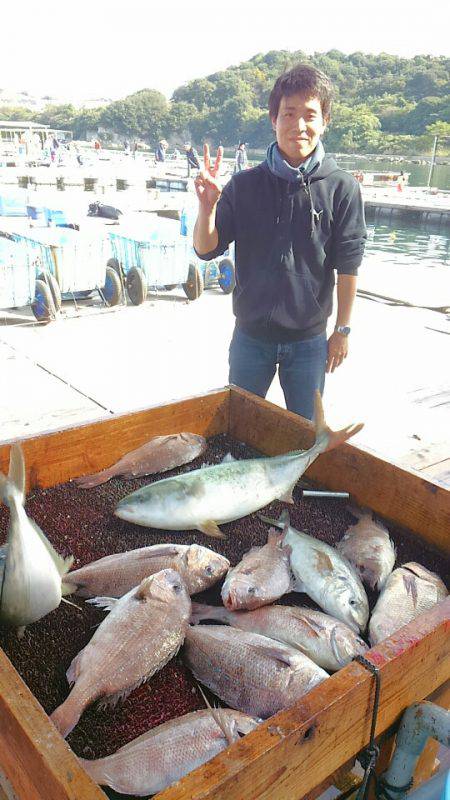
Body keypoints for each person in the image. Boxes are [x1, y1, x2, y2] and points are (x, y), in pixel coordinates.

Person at [193, 63, 366, 421]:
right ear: (274, 119)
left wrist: (342, 331)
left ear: (325, 121)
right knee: (239, 426)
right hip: (250, 337)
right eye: (289, 113)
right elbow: (206, 249)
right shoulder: (245, 185)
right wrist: (207, 207)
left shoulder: (342, 187)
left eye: (310, 115)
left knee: (305, 431)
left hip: (308, 342)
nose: (298, 125)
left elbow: (349, 266)